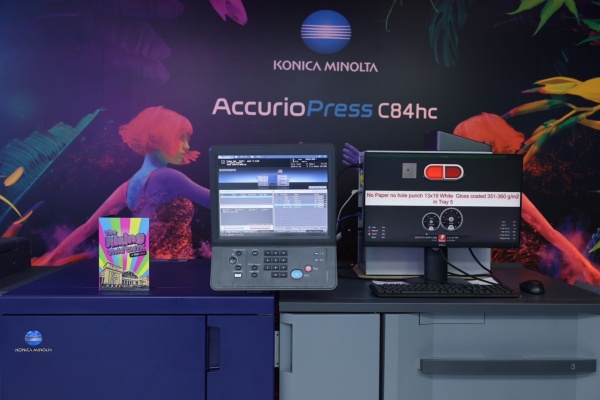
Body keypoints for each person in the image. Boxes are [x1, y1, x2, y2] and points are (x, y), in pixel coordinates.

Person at [35, 106, 210, 266]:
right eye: (181, 138)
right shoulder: (167, 177)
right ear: (162, 138)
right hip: (174, 272)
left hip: (139, 271)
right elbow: (214, 201)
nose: (187, 146)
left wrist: (51, 258)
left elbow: (86, 228)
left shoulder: (128, 186)